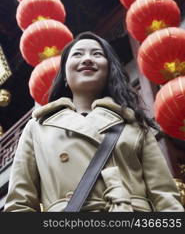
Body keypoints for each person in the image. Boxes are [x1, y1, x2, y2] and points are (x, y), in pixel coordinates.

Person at [4, 31, 184, 212]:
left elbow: (165, 198)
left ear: (109, 70)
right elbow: (19, 205)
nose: (87, 59)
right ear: (65, 75)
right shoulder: (37, 128)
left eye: (97, 54)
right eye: (78, 54)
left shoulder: (134, 125)